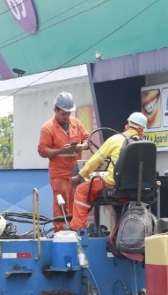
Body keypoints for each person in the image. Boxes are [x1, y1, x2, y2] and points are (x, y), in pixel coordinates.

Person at [69, 112, 146, 231]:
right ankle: (119, 233)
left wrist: (80, 175)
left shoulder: (115, 140)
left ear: (127, 125)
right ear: (142, 130)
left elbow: (95, 161)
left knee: (82, 190)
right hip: (136, 187)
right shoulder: (144, 145)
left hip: (112, 182)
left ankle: (78, 229)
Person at [37, 91, 89, 231]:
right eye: (63, 114)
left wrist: (81, 146)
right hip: (59, 174)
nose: (66, 117)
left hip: (76, 173)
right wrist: (61, 151)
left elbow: (87, 139)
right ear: (55, 110)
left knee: (78, 204)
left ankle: (78, 231)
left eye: (68, 113)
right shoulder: (47, 128)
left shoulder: (76, 124)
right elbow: (42, 150)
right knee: (61, 206)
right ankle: (60, 233)